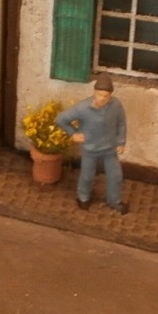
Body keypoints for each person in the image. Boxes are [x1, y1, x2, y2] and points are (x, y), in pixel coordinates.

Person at [55, 72, 128, 215]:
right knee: (87, 176)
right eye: (99, 95)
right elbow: (61, 119)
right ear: (94, 92)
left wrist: (121, 142)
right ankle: (83, 197)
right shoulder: (83, 108)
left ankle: (114, 200)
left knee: (116, 176)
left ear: (110, 95)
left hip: (110, 149)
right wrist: (73, 133)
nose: (102, 99)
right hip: (90, 149)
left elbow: (121, 124)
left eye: (106, 96)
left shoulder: (116, 105)